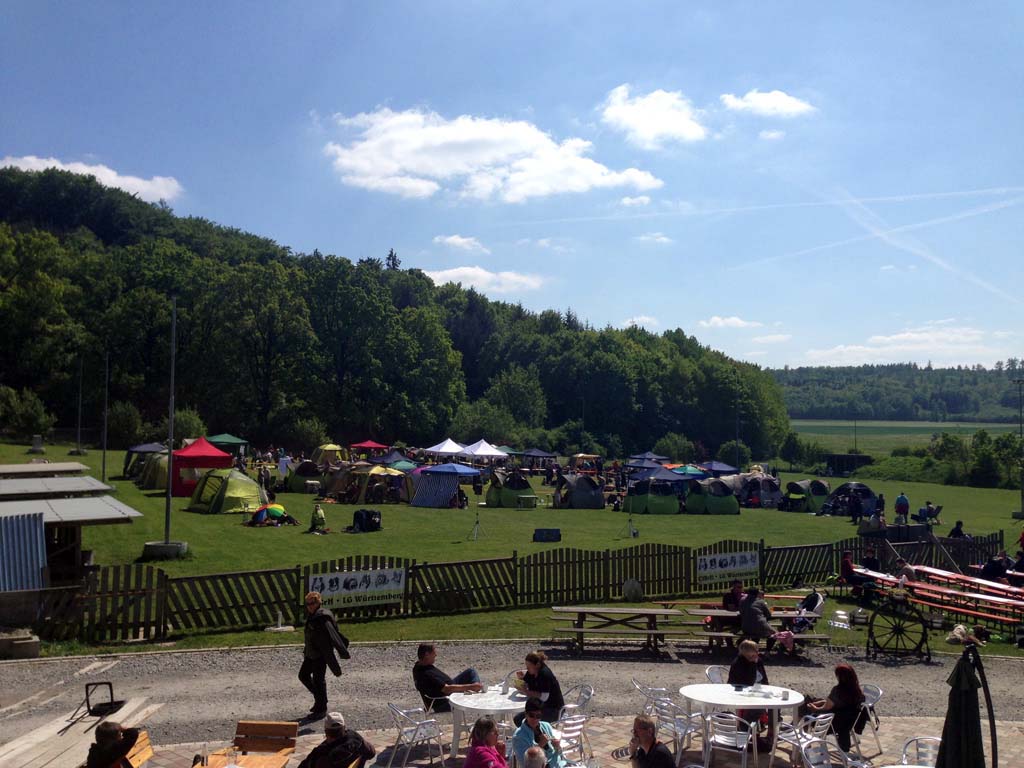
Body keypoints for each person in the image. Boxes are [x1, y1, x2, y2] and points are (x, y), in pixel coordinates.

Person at [299, 591, 350, 719]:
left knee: (318, 681)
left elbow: (333, 636)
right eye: (308, 603)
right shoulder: (313, 616)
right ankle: (320, 700)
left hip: (320, 655)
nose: (310, 606)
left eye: (312, 603)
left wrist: (341, 650)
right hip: (311, 654)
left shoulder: (322, 618)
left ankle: (321, 708)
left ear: (318, 603)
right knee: (303, 675)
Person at [808, 663, 867, 753]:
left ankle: (803, 743)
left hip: (830, 724)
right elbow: (836, 704)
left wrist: (814, 708)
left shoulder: (838, 690)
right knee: (813, 702)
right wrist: (822, 702)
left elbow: (826, 708)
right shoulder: (859, 693)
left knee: (805, 711)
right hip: (848, 724)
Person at [412, 643, 482, 712]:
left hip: (448, 690)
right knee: (475, 698)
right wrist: (471, 687)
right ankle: (478, 693)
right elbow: (447, 689)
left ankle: (477, 690)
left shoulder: (419, 666)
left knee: (471, 671)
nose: (436, 655)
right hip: (445, 700)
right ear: (427, 654)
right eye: (434, 653)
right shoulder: (426, 673)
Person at [727, 640, 772, 744]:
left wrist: (767, 688)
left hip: (757, 690)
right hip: (741, 692)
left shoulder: (758, 660)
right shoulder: (739, 662)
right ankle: (746, 730)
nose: (757, 652)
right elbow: (748, 681)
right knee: (757, 709)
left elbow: (764, 676)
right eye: (755, 650)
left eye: (757, 650)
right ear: (746, 652)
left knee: (775, 707)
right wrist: (752, 664)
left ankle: (771, 733)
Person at [298, 712, 376, 768]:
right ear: (344, 728)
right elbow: (372, 753)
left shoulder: (322, 754)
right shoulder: (356, 739)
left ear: (326, 731)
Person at [511, 699, 567, 768]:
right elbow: (525, 764)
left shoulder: (546, 726)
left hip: (558, 764)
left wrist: (557, 746)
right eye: (531, 715)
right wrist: (540, 745)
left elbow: (558, 754)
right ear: (526, 714)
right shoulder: (518, 737)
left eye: (538, 716)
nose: (535, 719)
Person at [514, 650, 564, 723]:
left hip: (553, 710)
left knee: (519, 719)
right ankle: (532, 732)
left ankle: (534, 733)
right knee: (522, 716)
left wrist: (526, 691)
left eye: (529, 666)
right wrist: (521, 680)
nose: (527, 668)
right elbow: (526, 683)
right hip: (542, 707)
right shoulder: (532, 671)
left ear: (537, 664)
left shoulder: (545, 674)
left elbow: (544, 697)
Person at [739, 586, 775, 652]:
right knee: (774, 634)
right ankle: (767, 652)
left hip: (746, 628)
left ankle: (754, 651)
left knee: (755, 633)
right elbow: (768, 615)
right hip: (759, 626)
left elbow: (741, 612)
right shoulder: (760, 602)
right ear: (757, 593)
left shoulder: (742, 600)